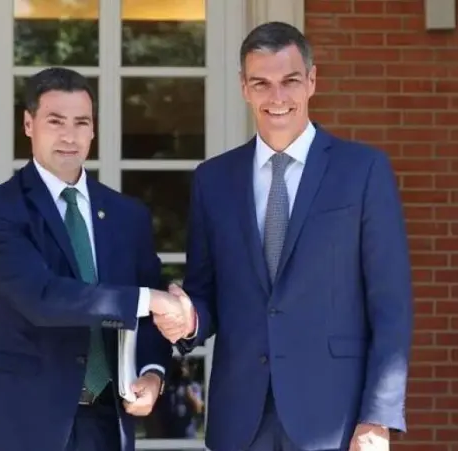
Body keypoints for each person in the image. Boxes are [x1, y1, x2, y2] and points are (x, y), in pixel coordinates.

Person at [174, 21, 414, 451]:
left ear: (312, 81)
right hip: (241, 416)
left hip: (333, 416)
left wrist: (378, 414)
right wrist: (188, 318)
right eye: (261, 84)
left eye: (290, 81)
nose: (277, 97)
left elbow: (390, 304)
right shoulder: (213, 180)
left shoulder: (362, 171)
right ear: (244, 88)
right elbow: (205, 292)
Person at [0, 67, 193, 451]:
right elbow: (42, 298)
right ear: (29, 124)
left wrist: (152, 374)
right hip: (21, 427)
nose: (70, 136)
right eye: (55, 121)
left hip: (107, 425)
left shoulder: (127, 215)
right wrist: (149, 300)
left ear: (93, 130)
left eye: (81, 122)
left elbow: (149, 322)